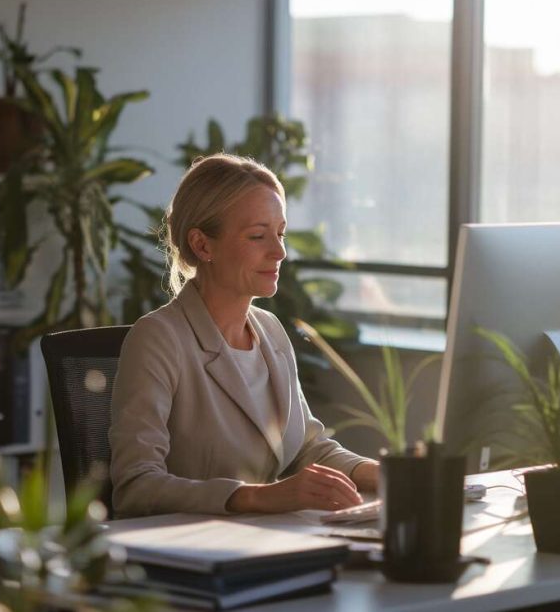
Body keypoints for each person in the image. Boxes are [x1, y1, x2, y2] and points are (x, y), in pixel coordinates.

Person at [109, 153, 379, 517]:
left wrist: (381, 474)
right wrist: (258, 497)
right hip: (194, 543)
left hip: (266, 537)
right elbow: (136, 486)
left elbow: (306, 448)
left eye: (280, 234)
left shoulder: (270, 331)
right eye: (257, 236)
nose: (279, 251)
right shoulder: (159, 339)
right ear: (203, 245)